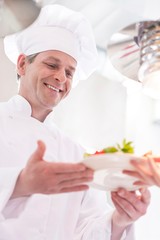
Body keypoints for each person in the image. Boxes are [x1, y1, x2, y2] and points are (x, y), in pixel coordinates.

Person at [0, 4, 150, 240]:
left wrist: (120, 220)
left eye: (70, 72)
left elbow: (84, 231)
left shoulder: (75, 154)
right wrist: (20, 184)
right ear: (22, 64)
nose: (61, 77)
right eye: (51, 64)